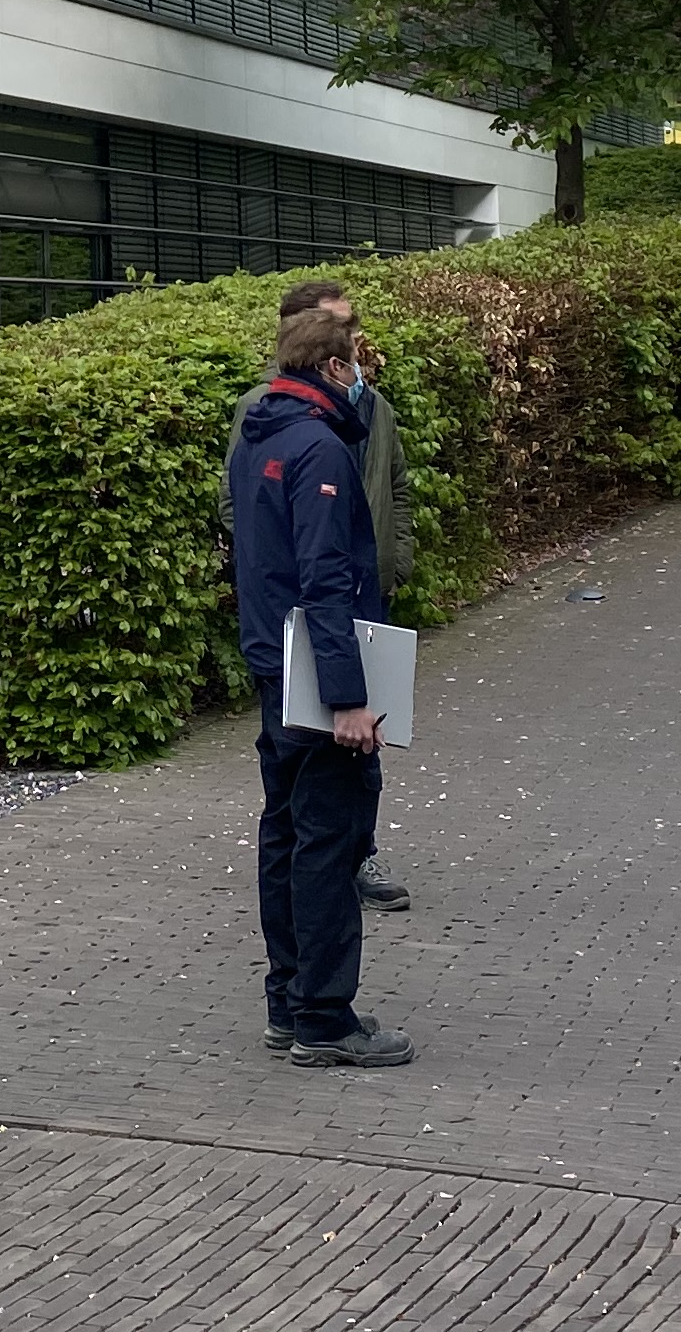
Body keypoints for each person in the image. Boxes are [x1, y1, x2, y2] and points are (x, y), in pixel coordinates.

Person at [227, 296, 412, 1067]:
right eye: (356, 363)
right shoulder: (321, 449)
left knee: (284, 835)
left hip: (274, 667)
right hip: (316, 680)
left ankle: (287, 1003)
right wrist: (349, 697)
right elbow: (326, 576)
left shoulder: (257, 436)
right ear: (333, 367)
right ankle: (325, 1020)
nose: (361, 377)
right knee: (328, 845)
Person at [245, 279, 417, 909]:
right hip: (315, 623)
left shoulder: (370, 409)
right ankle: (331, 898)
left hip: (354, 608)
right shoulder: (278, 420)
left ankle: (357, 852)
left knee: (347, 767)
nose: (357, 345)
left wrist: (392, 563)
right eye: (342, 330)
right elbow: (263, 526)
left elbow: (395, 485)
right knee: (316, 796)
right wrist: (341, 688)